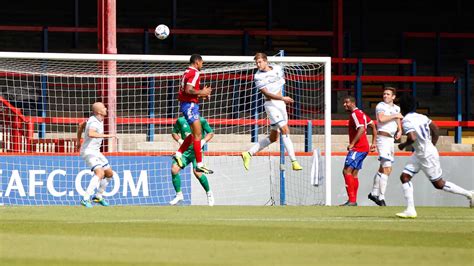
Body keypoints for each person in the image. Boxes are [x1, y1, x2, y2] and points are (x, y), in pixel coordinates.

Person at [396, 94, 473, 218]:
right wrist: (432, 144)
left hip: (426, 155)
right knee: (405, 177)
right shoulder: (422, 116)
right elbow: (435, 128)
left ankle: (469, 194)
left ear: (402, 108)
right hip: (420, 153)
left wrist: (403, 145)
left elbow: (412, 137)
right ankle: (410, 210)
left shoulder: (406, 120)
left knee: (439, 184)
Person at [241, 52, 302, 171]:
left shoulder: (278, 69)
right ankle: (294, 161)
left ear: (265, 61)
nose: (258, 65)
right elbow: (266, 93)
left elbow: (279, 85)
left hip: (281, 105)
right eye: (256, 63)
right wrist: (283, 98)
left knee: (274, 137)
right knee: (285, 130)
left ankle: (248, 153)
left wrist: (282, 100)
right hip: (271, 105)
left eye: (260, 62)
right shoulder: (258, 76)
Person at [173, 54, 213, 174]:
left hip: (188, 105)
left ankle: (178, 154)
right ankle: (199, 164)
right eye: (202, 63)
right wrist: (202, 91)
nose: (202, 65)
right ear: (197, 62)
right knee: (198, 135)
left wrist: (201, 95)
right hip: (189, 106)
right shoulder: (195, 73)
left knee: (194, 135)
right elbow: (188, 90)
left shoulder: (186, 72)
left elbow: (187, 92)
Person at [76, 102, 117, 208]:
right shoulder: (94, 121)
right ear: (99, 111)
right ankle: (85, 199)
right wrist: (108, 135)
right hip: (89, 151)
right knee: (100, 173)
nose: (106, 108)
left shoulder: (95, 119)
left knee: (109, 173)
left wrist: (78, 141)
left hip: (96, 152)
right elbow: (91, 133)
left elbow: (80, 125)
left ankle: (98, 196)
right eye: (104, 107)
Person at [368, 87, 403, 206]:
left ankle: (373, 193)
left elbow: (398, 118)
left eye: (388, 94)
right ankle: (381, 197)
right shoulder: (381, 106)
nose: (385, 96)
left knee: (383, 168)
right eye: (384, 94)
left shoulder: (396, 108)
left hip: (390, 140)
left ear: (393, 97)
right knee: (387, 168)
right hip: (382, 139)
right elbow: (381, 119)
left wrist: (400, 129)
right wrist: (395, 115)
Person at [169, 116, 215, 206]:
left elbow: (210, 133)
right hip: (185, 152)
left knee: (197, 172)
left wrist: (203, 141)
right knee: (174, 169)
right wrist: (180, 140)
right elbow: (174, 133)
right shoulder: (180, 121)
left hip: (196, 152)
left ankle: (209, 193)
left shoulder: (201, 120)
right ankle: (179, 195)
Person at [341, 96, 377, 206]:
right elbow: (373, 125)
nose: (344, 105)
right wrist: (373, 143)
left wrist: (352, 143)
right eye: (344, 102)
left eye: (346, 102)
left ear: (352, 103)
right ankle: (352, 200)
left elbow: (362, 128)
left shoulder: (355, 114)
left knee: (346, 171)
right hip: (364, 147)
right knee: (354, 173)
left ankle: (352, 200)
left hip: (358, 148)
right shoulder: (361, 113)